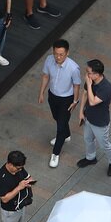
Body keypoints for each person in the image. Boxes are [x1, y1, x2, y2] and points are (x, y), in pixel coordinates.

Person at [39, 38, 81, 167]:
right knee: (57, 118)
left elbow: (76, 85)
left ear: (67, 53)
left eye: (61, 54)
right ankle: (66, 135)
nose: (58, 57)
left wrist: (75, 101)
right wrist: (42, 92)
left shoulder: (73, 68)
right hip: (53, 95)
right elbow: (46, 76)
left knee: (60, 127)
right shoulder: (49, 59)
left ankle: (55, 154)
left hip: (66, 99)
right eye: (56, 53)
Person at [76, 59, 111, 175]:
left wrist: (89, 85)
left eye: (88, 72)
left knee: (104, 145)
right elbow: (84, 94)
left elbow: (93, 101)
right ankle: (90, 158)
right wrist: (81, 112)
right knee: (88, 139)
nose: (86, 75)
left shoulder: (106, 87)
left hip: (100, 122)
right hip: (89, 117)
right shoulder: (90, 80)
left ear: (97, 74)